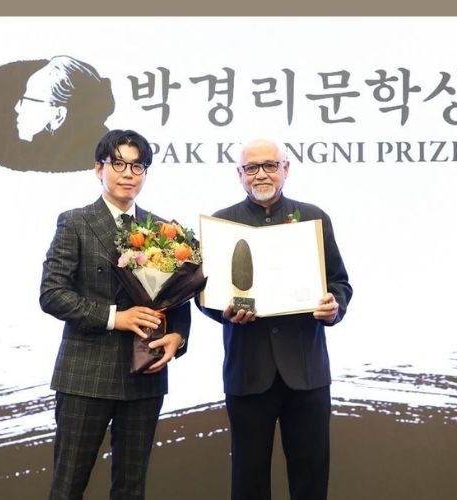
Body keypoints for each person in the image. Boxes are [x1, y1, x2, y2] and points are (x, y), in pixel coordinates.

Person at [196, 138, 353, 500]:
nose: (261, 174)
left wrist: (334, 306)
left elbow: (340, 282)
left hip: (307, 373)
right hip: (248, 373)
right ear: (240, 174)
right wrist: (223, 311)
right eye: (251, 168)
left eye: (270, 165)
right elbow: (204, 295)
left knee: (311, 475)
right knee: (248, 479)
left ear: (286, 169)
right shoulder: (222, 223)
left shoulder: (314, 217)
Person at [40, 129, 190, 500]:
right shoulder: (75, 222)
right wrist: (114, 318)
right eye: (118, 163)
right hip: (85, 376)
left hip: (144, 374)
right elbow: (52, 294)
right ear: (98, 169)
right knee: (67, 486)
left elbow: (178, 298)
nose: (128, 173)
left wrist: (178, 336)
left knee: (131, 488)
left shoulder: (161, 230)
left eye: (137, 165)